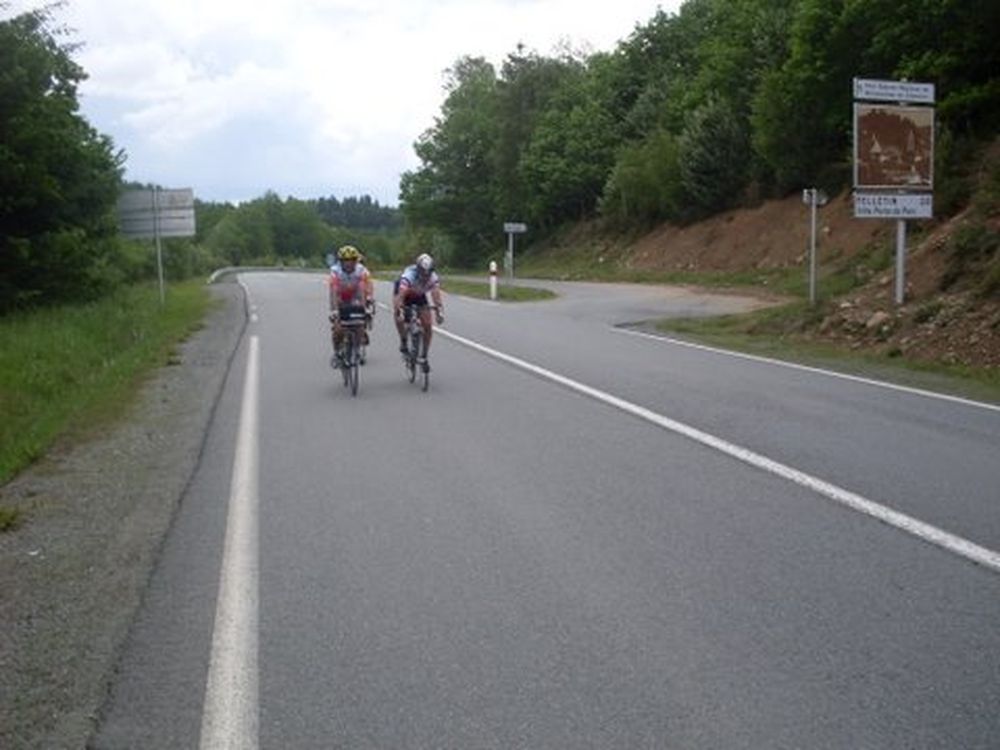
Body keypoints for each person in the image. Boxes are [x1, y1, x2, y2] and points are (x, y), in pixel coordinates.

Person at [393, 253, 444, 366]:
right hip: (405, 293)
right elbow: (401, 295)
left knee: (428, 324)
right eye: (422, 272)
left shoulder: (433, 277)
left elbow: (436, 295)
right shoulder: (409, 275)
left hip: (419, 294)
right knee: (398, 315)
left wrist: (439, 311)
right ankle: (403, 340)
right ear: (418, 269)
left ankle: (424, 354)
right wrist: (399, 309)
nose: (425, 276)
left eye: (428, 273)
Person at [328, 245, 374, 368]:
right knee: (338, 328)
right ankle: (337, 353)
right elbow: (333, 290)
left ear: (356, 261)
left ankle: (356, 349)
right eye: (345, 261)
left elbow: (364, 289)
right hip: (341, 296)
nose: (349, 263)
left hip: (355, 295)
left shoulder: (361, 271)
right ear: (341, 262)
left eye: (352, 260)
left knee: (359, 324)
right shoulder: (335, 271)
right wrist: (334, 310)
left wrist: (365, 308)